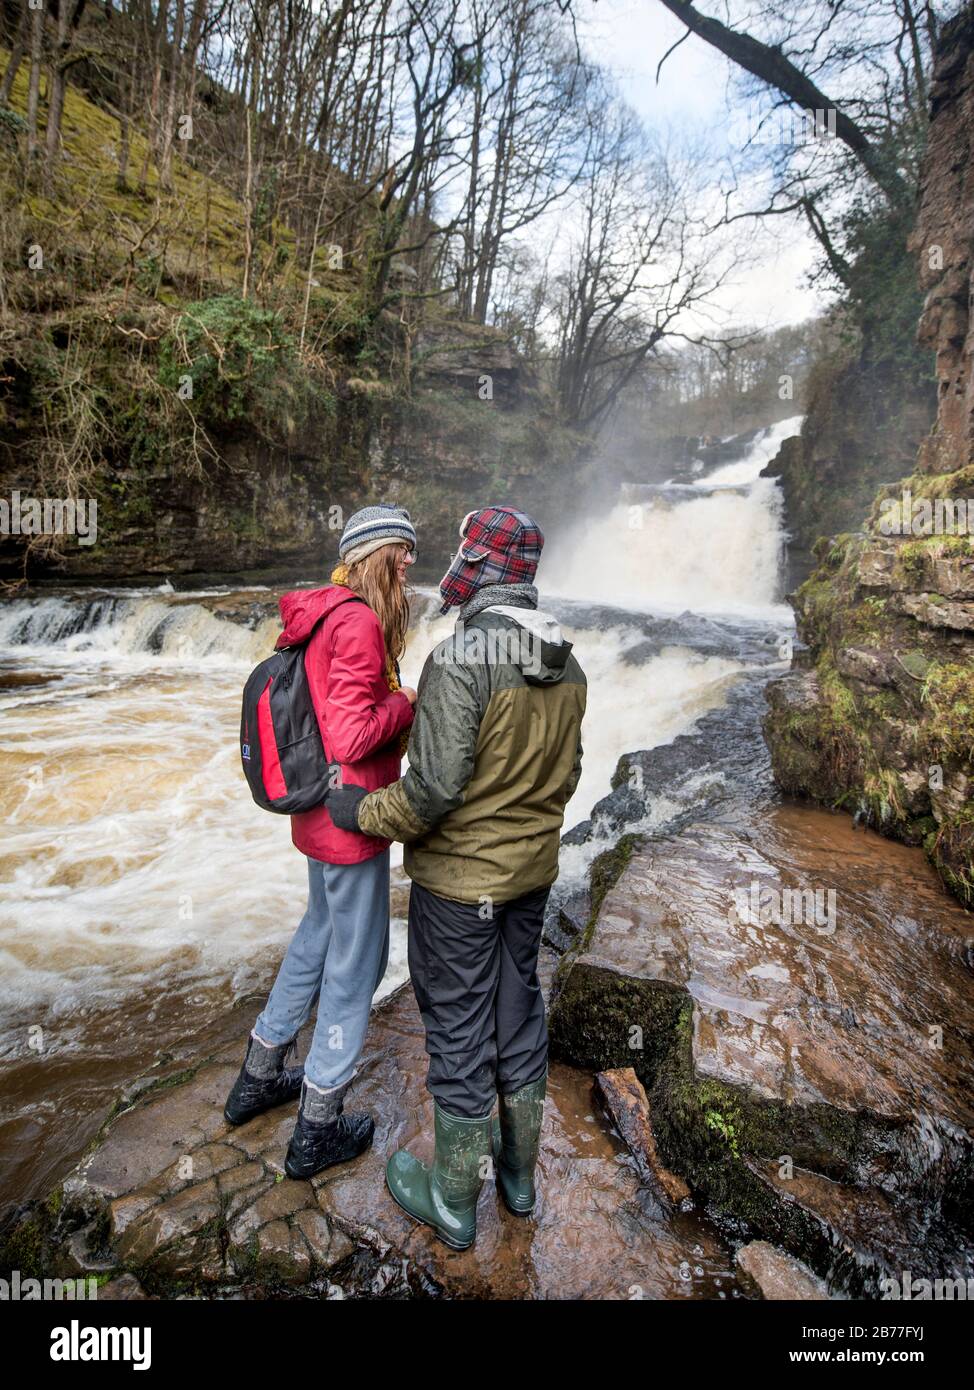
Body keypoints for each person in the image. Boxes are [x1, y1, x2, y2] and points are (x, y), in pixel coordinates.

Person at [327, 505, 586, 1249]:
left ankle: (450, 1199)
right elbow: (565, 778)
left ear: (478, 571)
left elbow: (433, 791)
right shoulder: (569, 662)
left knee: (460, 1031)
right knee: (519, 1014)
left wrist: (361, 811)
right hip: (530, 879)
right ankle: (519, 1179)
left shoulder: (458, 660)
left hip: (458, 891)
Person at [224, 504, 418, 1180]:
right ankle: (318, 1125)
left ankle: (259, 1075)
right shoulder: (361, 623)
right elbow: (350, 736)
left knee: (316, 934)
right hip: (350, 817)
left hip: (316, 811)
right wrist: (408, 704)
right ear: (376, 557)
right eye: (403, 551)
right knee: (356, 964)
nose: (411, 563)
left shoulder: (324, 611)